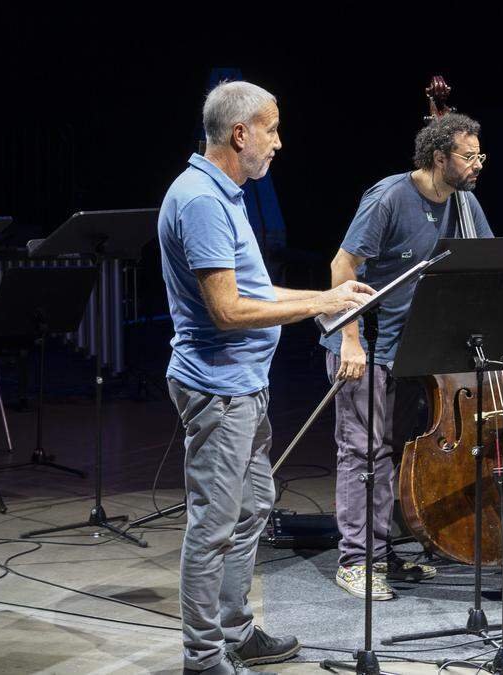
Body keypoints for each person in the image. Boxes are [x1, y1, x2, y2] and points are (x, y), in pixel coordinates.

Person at [158, 80, 373, 674]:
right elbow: (228, 311)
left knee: (253, 508)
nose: (278, 142)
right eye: (272, 129)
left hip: (244, 385)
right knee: (213, 526)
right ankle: (202, 658)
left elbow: (254, 291)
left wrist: (328, 296)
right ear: (240, 133)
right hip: (218, 390)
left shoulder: (224, 194)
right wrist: (316, 306)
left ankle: (234, 630)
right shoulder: (200, 200)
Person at [322, 112, 493, 600]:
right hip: (366, 347)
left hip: (418, 353)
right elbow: (343, 266)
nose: (478, 163)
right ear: (439, 158)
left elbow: (481, 266)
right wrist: (350, 340)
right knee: (364, 453)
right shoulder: (389, 196)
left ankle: (385, 553)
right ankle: (356, 561)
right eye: (468, 155)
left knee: (397, 454)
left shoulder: (466, 204)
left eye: (480, 154)